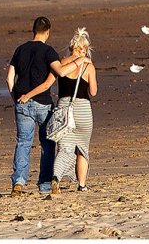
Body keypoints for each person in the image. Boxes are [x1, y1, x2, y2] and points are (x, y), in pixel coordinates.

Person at [6, 16, 86, 197]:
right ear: (48, 32)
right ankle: (44, 184)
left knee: (23, 143)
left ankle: (18, 182)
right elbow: (60, 71)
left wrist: (16, 98)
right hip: (43, 103)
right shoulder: (48, 51)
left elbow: (9, 79)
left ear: (33, 30)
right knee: (48, 145)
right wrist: (79, 60)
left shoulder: (20, 50)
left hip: (21, 103)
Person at [50, 27, 98, 194]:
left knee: (64, 148)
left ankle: (56, 177)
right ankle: (82, 184)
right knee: (82, 149)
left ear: (72, 47)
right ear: (84, 49)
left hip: (64, 108)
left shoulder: (62, 63)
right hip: (83, 110)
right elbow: (93, 91)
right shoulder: (88, 66)